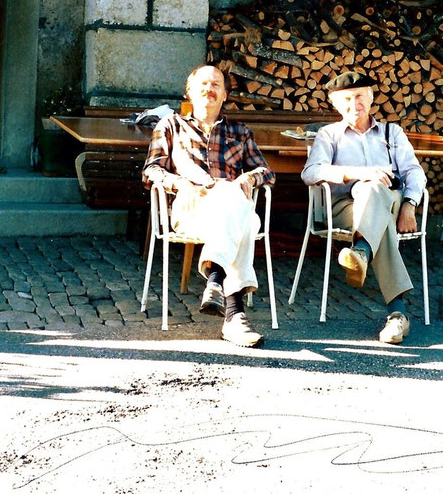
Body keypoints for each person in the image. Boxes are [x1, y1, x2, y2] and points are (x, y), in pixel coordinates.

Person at [142, 64, 275, 347]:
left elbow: (267, 172)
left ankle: (216, 283)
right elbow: (151, 170)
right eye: (203, 84)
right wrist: (181, 184)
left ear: (225, 94)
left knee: (235, 203)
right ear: (190, 92)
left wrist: (250, 178)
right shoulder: (171, 126)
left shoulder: (240, 131)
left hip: (232, 208)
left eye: (216, 84)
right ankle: (234, 313)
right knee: (246, 220)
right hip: (191, 210)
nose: (209, 89)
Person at [301, 71, 426, 344]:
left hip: (391, 203)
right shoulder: (328, 135)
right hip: (345, 208)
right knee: (373, 203)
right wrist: (357, 172)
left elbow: (414, 172)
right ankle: (397, 314)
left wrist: (409, 206)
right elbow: (310, 173)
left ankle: (361, 251)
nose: (353, 104)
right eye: (345, 99)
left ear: (370, 98)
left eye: (359, 96)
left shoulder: (393, 133)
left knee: (374, 192)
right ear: (335, 104)